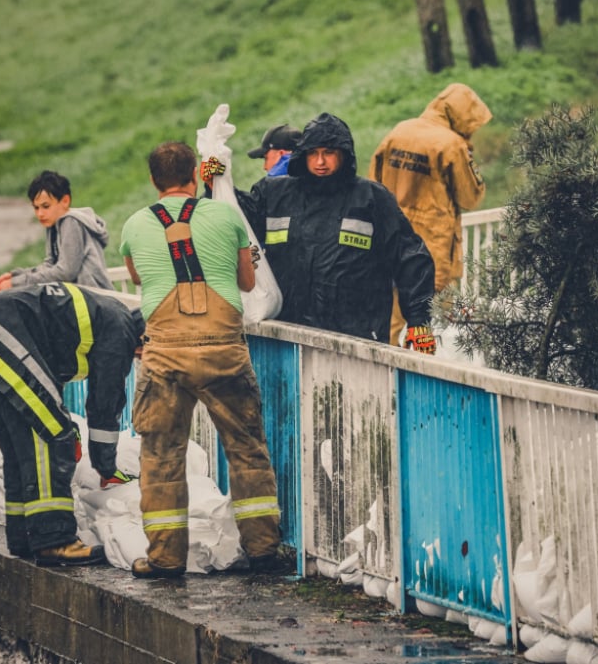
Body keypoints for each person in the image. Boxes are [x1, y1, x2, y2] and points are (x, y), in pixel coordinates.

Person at [120, 141, 283, 578]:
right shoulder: (226, 216)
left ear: (154, 180)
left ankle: (165, 558)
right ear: (194, 175)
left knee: (160, 456)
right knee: (247, 450)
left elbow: (138, 276)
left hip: (165, 356)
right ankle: (265, 550)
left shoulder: (135, 225)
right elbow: (248, 283)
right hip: (223, 352)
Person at [0, 282, 145, 566]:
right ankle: (55, 541)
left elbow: (48, 372)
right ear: (147, 335)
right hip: (3, 332)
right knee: (52, 436)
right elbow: (105, 403)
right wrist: (106, 467)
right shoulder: (121, 331)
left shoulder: (108, 316)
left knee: (22, 445)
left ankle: (24, 537)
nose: (142, 358)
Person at [242, 112, 438, 352]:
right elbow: (233, 218)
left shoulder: (372, 199)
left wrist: (419, 322)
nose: (320, 162)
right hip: (287, 337)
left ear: (344, 154)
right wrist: (216, 183)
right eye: (313, 153)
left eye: (328, 153)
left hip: (357, 340)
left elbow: (410, 258)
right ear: (302, 155)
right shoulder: (275, 195)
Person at [369, 83, 492, 345]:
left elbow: (373, 182)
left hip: (389, 242)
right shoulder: (452, 145)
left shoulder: (400, 130)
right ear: (462, 117)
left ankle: (384, 378)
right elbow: (470, 196)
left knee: (389, 323)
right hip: (431, 249)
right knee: (432, 326)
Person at [0, 170, 113, 294]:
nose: (40, 214)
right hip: (76, 296)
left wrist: (16, 283)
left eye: (46, 206)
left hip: (96, 299)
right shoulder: (53, 223)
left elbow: (66, 272)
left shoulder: (71, 222)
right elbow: (49, 265)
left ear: (65, 201)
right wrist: (15, 276)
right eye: (36, 207)